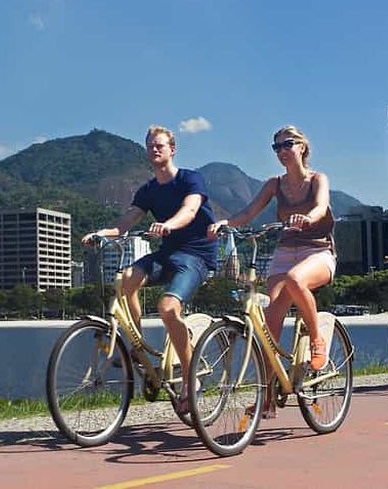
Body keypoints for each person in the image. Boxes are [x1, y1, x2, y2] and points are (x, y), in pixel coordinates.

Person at [82, 125, 217, 413]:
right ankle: (138, 346)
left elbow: (190, 210)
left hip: (195, 256)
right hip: (167, 254)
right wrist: (101, 234)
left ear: (172, 149)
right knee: (126, 279)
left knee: (168, 309)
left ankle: (190, 378)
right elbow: (125, 222)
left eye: (160, 145)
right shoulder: (148, 190)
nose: (154, 149)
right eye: (150, 146)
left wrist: (169, 224)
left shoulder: (191, 179)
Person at [208, 125, 335, 418]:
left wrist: (307, 218)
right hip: (284, 251)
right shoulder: (273, 184)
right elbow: (248, 212)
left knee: (295, 280)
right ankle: (267, 398)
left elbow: (320, 207)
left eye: (286, 144)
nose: (281, 151)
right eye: (275, 147)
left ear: (302, 146)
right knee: (269, 325)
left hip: (318, 251)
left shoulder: (318, 179)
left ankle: (317, 340)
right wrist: (226, 223)